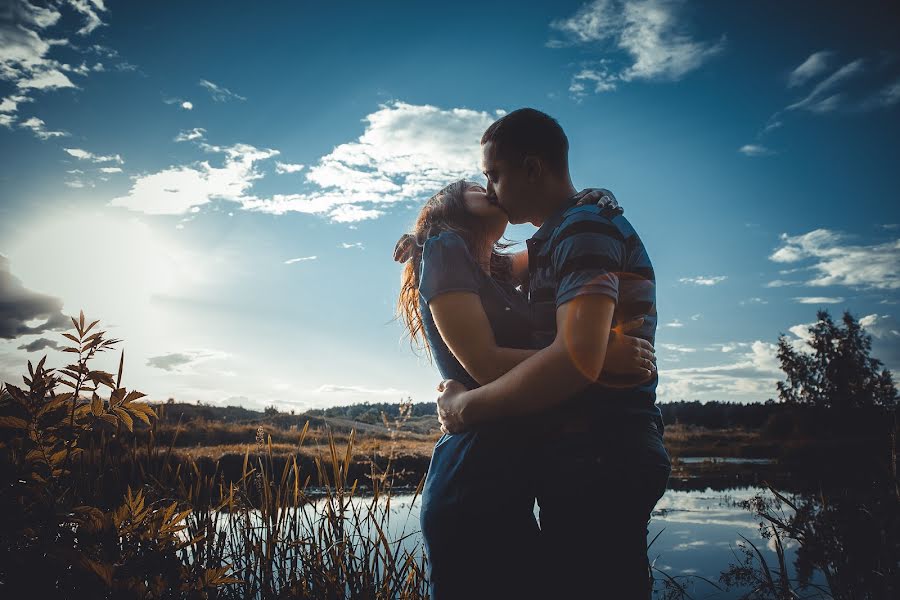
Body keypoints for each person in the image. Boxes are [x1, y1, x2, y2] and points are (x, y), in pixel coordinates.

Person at [436, 108, 671, 599]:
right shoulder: (558, 236)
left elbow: (574, 361)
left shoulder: (585, 230)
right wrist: (421, 239)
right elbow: (490, 264)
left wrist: (464, 407)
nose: (492, 189)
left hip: (602, 451)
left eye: (494, 174)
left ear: (533, 168)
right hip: (588, 451)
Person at [394, 180, 657, 599]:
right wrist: (595, 360)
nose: (492, 188)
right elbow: (485, 364)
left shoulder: (490, 269)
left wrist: (584, 200)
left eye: (496, 179)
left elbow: (549, 242)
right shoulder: (443, 247)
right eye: (477, 185)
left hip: (509, 472)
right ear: (448, 204)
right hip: (474, 470)